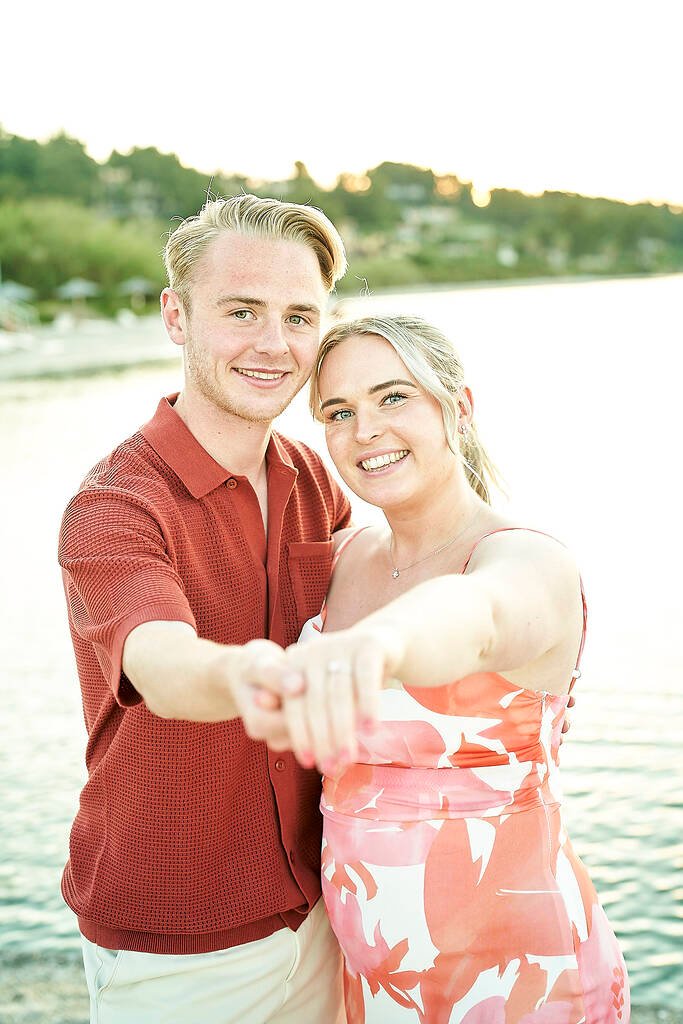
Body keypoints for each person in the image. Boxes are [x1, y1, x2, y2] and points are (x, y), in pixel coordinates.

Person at [269, 315, 630, 1022]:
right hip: (374, 972)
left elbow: (479, 615)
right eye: (338, 412)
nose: (364, 428)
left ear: (457, 409)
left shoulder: (525, 559)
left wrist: (379, 647)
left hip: (520, 975)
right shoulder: (340, 560)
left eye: (392, 397)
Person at [57, 194, 354, 1024]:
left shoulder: (316, 476)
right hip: (176, 939)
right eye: (241, 312)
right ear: (176, 317)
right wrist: (262, 671)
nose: (273, 343)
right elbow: (164, 664)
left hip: (321, 901)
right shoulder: (114, 506)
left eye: (299, 316)